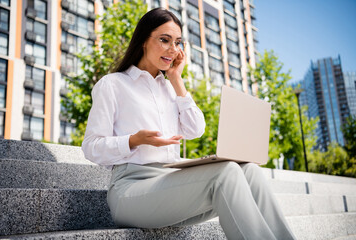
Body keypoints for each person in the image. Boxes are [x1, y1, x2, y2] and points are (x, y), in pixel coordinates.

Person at [82, 7, 296, 240]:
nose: (172, 50)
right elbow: (92, 147)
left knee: (250, 171)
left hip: (169, 182)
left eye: (177, 43)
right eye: (164, 40)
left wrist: (176, 79)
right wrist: (134, 140)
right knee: (225, 172)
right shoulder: (113, 84)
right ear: (143, 40)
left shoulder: (170, 88)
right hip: (130, 189)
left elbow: (196, 129)